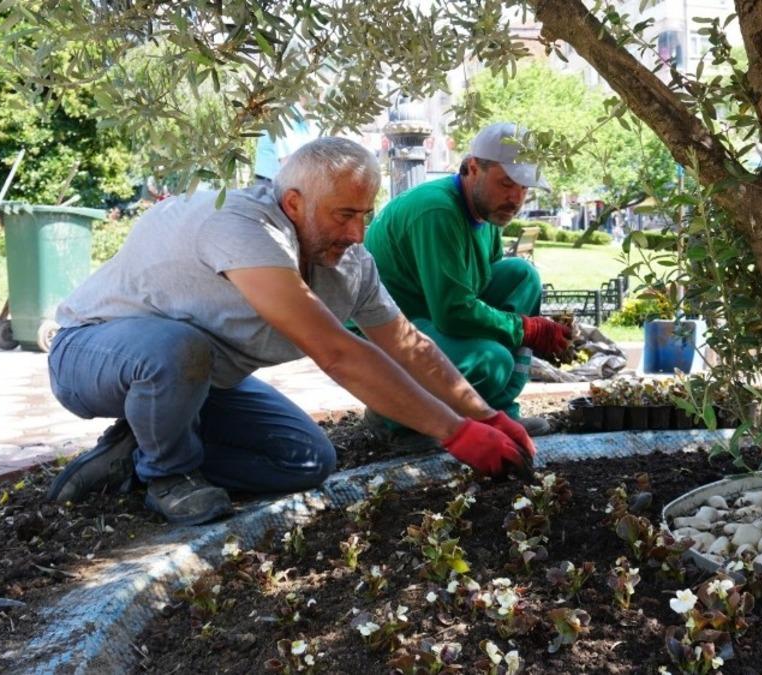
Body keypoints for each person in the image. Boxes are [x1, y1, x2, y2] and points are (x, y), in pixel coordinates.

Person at [45, 137, 535, 526]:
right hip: (92, 352)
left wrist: (486, 415)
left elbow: (408, 345)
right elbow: (337, 353)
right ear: (295, 204)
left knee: (306, 461)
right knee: (177, 348)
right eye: (344, 214)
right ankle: (167, 475)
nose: (357, 234)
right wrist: (454, 433)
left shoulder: (350, 264)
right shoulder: (241, 226)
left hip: (198, 379)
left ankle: (134, 453)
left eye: (365, 215)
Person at [364, 122, 570, 444]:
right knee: (493, 361)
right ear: (473, 168)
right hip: (385, 332)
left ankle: (498, 412)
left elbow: (479, 287)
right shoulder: (436, 210)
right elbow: (452, 312)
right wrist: (524, 328)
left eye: (524, 189)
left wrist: (530, 326)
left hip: (427, 318)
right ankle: (395, 419)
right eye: (506, 183)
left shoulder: (488, 212)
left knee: (522, 275)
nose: (516, 198)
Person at [253, 102, 318, 184]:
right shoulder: (284, 115)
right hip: (273, 182)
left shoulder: (306, 120)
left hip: (285, 179)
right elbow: (286, 162)